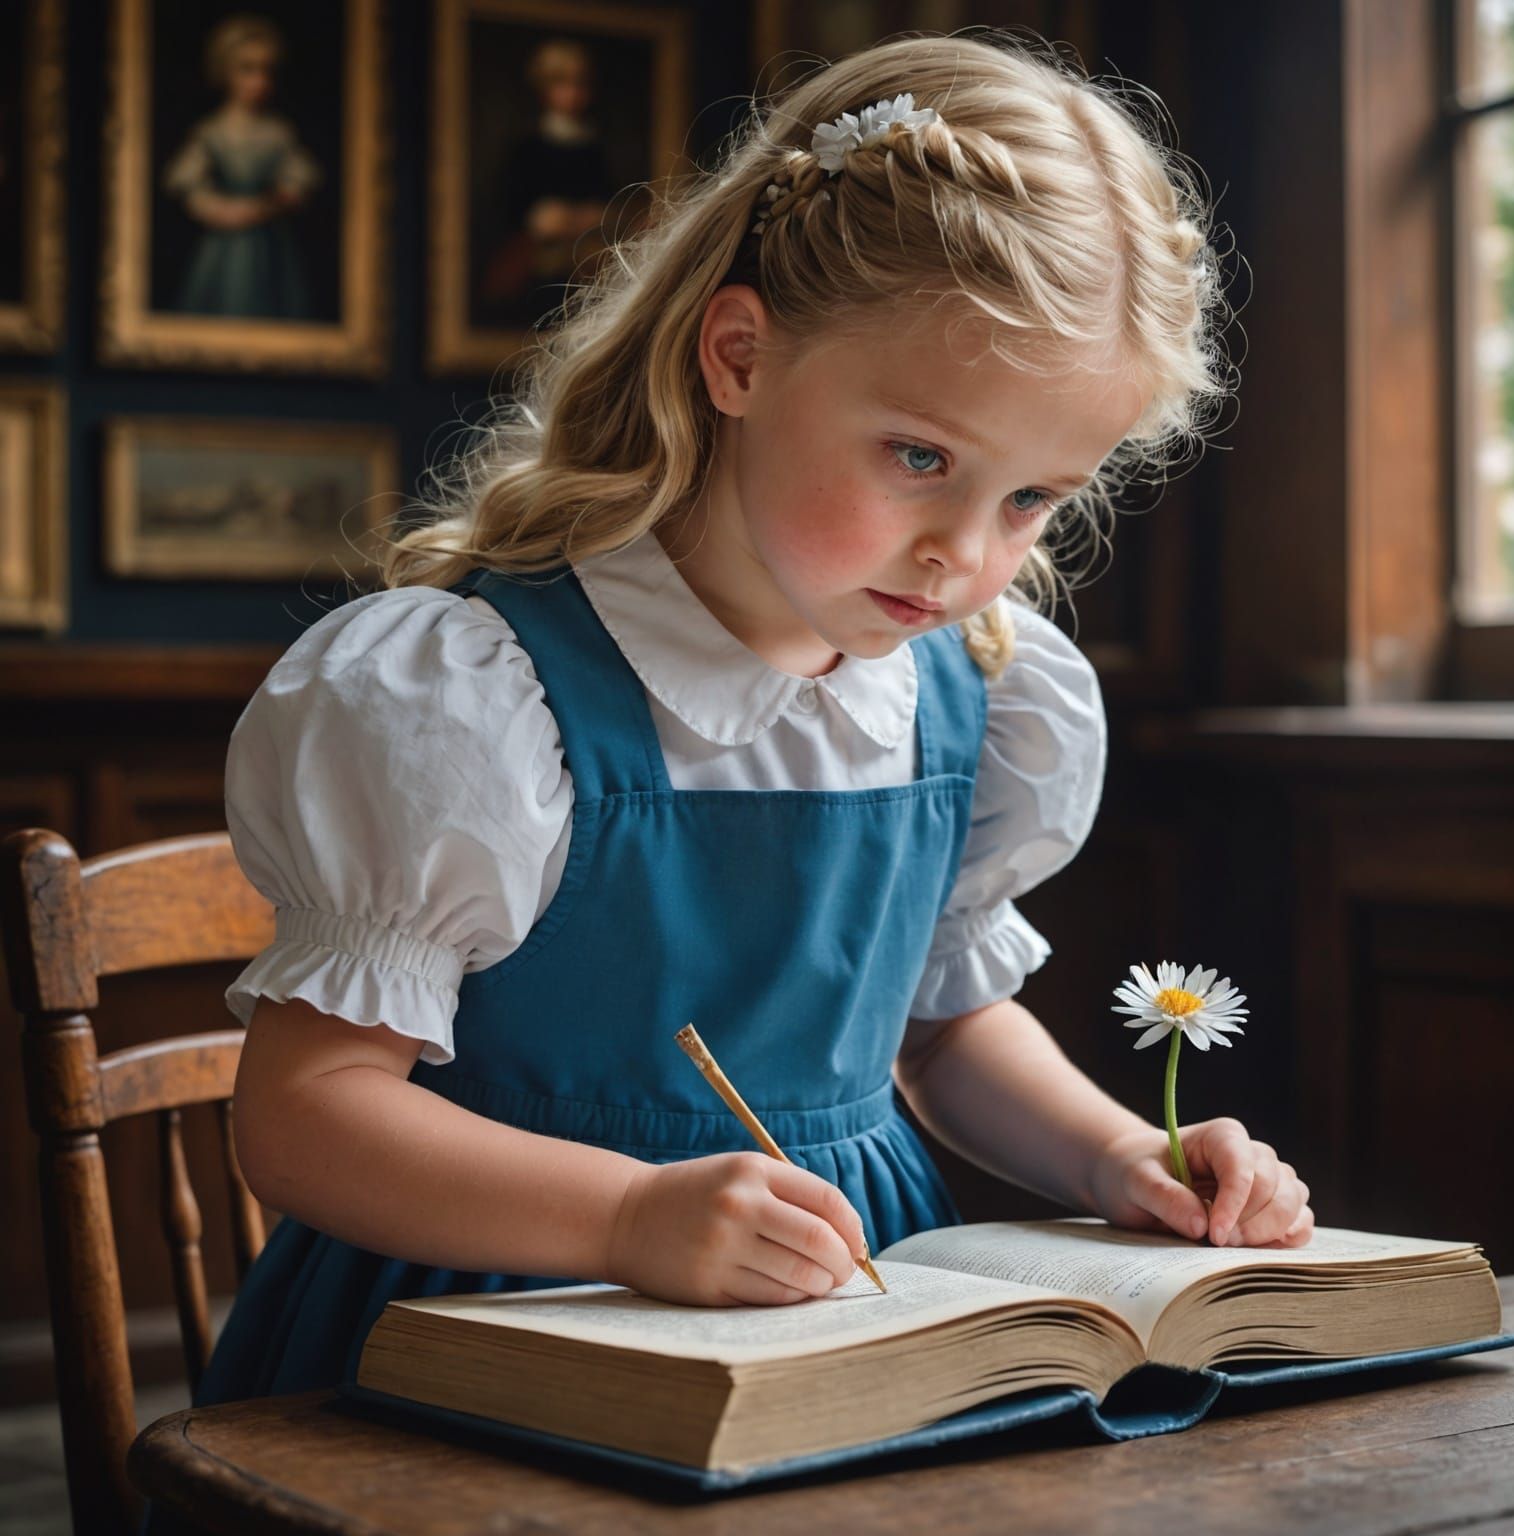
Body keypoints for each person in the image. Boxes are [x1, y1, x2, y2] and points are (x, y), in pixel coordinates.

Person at [199, 32, 1313, 1406]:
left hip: (835, 1317)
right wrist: (626, 1218)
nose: (965, 555)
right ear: (739, 356)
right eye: (920, 457)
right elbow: (305, 1119)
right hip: (490, 1324)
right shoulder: (471, 698)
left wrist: (1116, 1154)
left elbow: (941, 1030)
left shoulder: (977, 696)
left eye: (1031, 499)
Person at [161, 14, 321, 320]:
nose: (259, 81)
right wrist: (220, 210)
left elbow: (297, 184)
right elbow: (188, 186)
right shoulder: (212, 132)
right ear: (225, 71)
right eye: (247, 69)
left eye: (266, 71)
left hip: (269, 249)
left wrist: (269, 205)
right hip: (224, 248)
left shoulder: (278, 133)